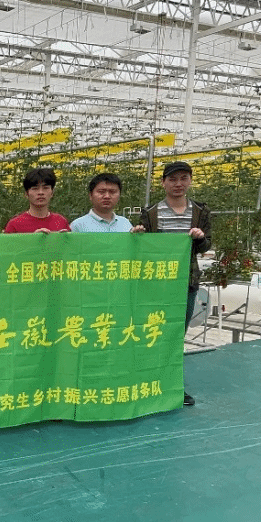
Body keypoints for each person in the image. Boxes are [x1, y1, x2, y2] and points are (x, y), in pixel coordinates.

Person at [131, 160, 212, 407]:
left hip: (186, 282)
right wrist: (138, 236)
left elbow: (207, 245)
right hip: (156, 285)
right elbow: (143, 248)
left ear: (190, 181)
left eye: (183, 178)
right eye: (173, 179)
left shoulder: (200, 212)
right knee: (153, 333)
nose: (178, 184)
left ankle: (173, 386)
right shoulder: (152, 212)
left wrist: (200, 239)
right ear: (163, 182)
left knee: (176, 336)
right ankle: (146, 382)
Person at [3, 167, 71, 233]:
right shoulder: (14, 225)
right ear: (26, 194)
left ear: (52, 192)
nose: (41, 192)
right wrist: (34, 239)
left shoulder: (61, 222)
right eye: (35, 188)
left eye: (45, 188)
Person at [69, 172, 133, 233]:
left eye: (112, 192)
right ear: (90, 195)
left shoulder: (125, 224)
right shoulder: (78, 226)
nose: (107, 196)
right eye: (101, 191)